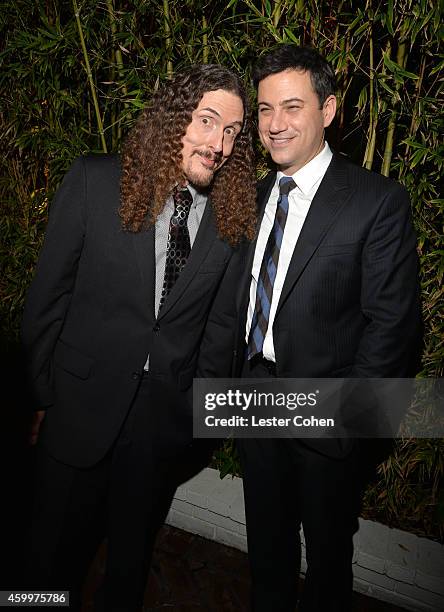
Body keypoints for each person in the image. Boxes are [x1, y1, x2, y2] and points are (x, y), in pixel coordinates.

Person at [21, 63, 256, 612]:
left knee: (126, 574)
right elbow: (45, 303)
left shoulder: (231, 220)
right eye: (207, 120)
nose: (218, 143)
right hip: (77, 410)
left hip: (158, 433)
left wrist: (194, 429)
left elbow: (220, 336)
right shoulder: (95, 180)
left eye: (232, 132)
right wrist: (43, 397)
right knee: (43, 565)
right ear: (175, 117)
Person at [234, 45, 422, 612]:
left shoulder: (376, 201)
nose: (274, 124)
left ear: (330, 109)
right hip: (253, 401)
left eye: (292, 107)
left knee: (328, 566)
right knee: (265, 553)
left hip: (328, 416)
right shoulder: (251, 194)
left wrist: (349, 433)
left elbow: (392, 328)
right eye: (265, 110)